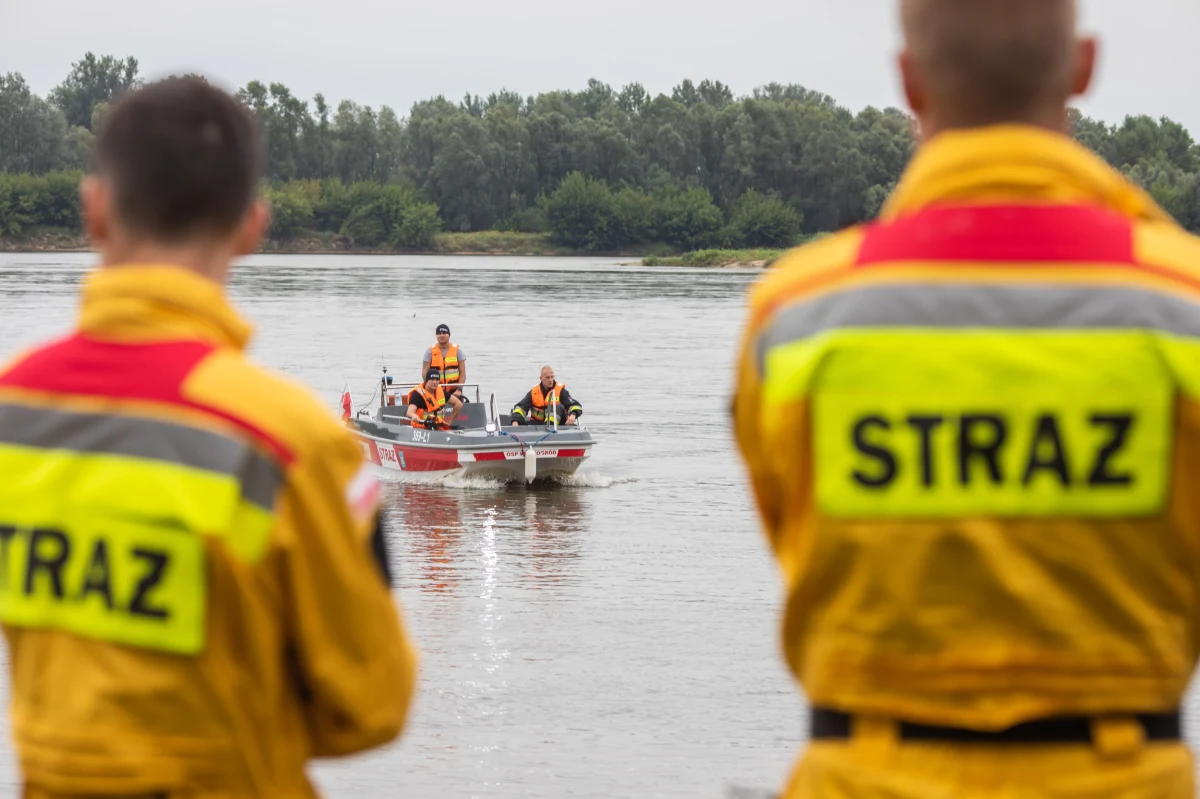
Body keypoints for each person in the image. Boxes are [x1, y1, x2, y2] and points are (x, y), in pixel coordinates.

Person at [732, 1, 1200, 796]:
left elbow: (793, 530)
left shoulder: (797, 312)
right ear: (1083, 68)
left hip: (863, 772)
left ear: (909, 82)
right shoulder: (1181, 300)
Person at [0, 76, 419, 798]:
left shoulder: (15, 411)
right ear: (251, 226)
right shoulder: (292, 442)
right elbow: (372, 702)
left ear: (94, 209)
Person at [510, 366, 582, 427]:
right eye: (547, 377)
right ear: (541, 378)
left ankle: (550, 428)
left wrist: (573, 414)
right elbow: (521, 407)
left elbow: (574, 405)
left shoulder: (561, 391)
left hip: (558, 426)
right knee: (519, 419)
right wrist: (515, 421)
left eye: (552, 377)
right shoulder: (534, 392)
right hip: (538, 425)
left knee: (557, 407)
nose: (550, 380)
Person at [422, 323, 467, 400]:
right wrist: (430, 387)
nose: (442, 335)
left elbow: (463, 374)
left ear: (449, 335)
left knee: (458, 405)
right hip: (436, 390)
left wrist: (459, 390)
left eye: (444, 333)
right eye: (439, 333)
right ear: (436, 336)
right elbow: (424, 372)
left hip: (454, 392)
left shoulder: (458, 351)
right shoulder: (429, 351)